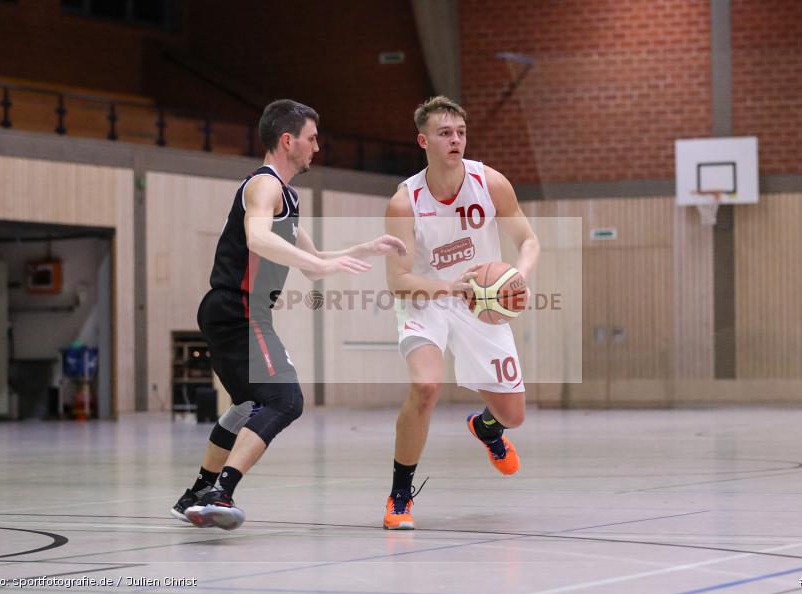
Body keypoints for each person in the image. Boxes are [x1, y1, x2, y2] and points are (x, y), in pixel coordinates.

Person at [171, 99, 406, 530]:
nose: (317, 147)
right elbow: (258, 238)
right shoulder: (264, 187)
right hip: (238, 310)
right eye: (312, 138)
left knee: (248, 404)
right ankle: (221, 493)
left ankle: (197, 491)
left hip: (233, 311)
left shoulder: (289, 195)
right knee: (285, 399)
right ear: (287, 140)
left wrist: (366, 249)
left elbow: (311, 257)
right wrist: (316, 266)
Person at [383, 96, 540, 529]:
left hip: (481, 304)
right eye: (444, 133)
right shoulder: (404, 202)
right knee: (426, 386)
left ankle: (487, 428)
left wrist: (518, 276)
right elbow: (397, 279)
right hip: (425, 300)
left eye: (460, 133)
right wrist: (447, 287)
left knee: (514, 416)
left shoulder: (491, 184)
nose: (455, 140)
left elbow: (528, 241)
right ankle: (400, 495)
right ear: (424, 141)